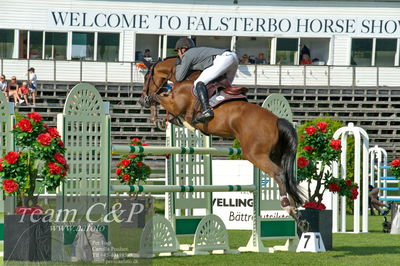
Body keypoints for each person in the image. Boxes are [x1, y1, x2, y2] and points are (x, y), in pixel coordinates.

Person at [175, 37, 239, 124]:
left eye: (178, 52)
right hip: (233, 57)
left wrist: (179, 63)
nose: (178, 54)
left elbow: (179, 77)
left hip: (223, 59)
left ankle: (206, 111)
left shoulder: (187, 54)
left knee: (198, 83)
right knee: (226, 87)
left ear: (182, 49)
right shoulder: (196, 53)